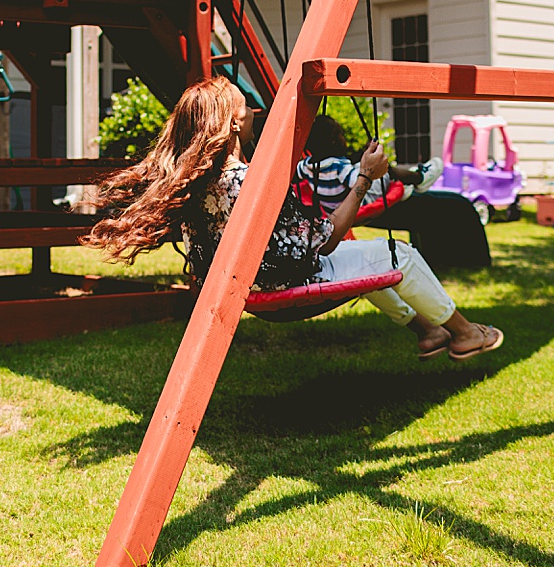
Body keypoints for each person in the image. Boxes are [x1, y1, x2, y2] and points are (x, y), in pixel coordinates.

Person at [84, 77, 502, 361]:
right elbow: (324, 240)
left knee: (369, 257)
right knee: (400, 254)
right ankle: (465, 334)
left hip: (246, 285)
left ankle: (427, 331)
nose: (254, 111)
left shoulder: (198, 182)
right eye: (245, 105)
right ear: (232, 122)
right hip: (291, 284)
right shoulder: (251, 182)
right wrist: (364, 179)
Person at [294, 114, 444, 218]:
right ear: (334, 142)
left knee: (365, 165)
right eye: (342, 135)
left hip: (331, 210)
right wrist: (370, 157)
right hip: (358, 204)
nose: (344, 139)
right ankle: (420, 178)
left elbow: (293, 175)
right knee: (382, 168)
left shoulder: (306, 166)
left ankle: (406, 184)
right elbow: (360, 179)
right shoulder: (337, 166)